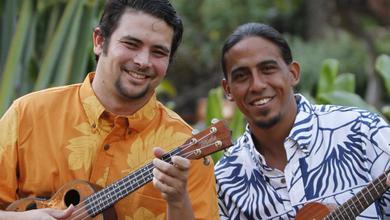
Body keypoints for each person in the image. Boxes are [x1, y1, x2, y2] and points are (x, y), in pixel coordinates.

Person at [0, 0, 219, 219]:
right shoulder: (28, 115)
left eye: (158, 52)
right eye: (131, 44)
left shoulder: (185, 149)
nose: (143, 61)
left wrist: (178, 200)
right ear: (99, 41)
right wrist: (23, 217)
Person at [214, 22, 390, 219]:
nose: (257, 85)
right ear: (228, 89)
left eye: (268, 69)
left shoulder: (363, 131)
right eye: (241, 76)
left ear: (293, 73)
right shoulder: (225, 179)